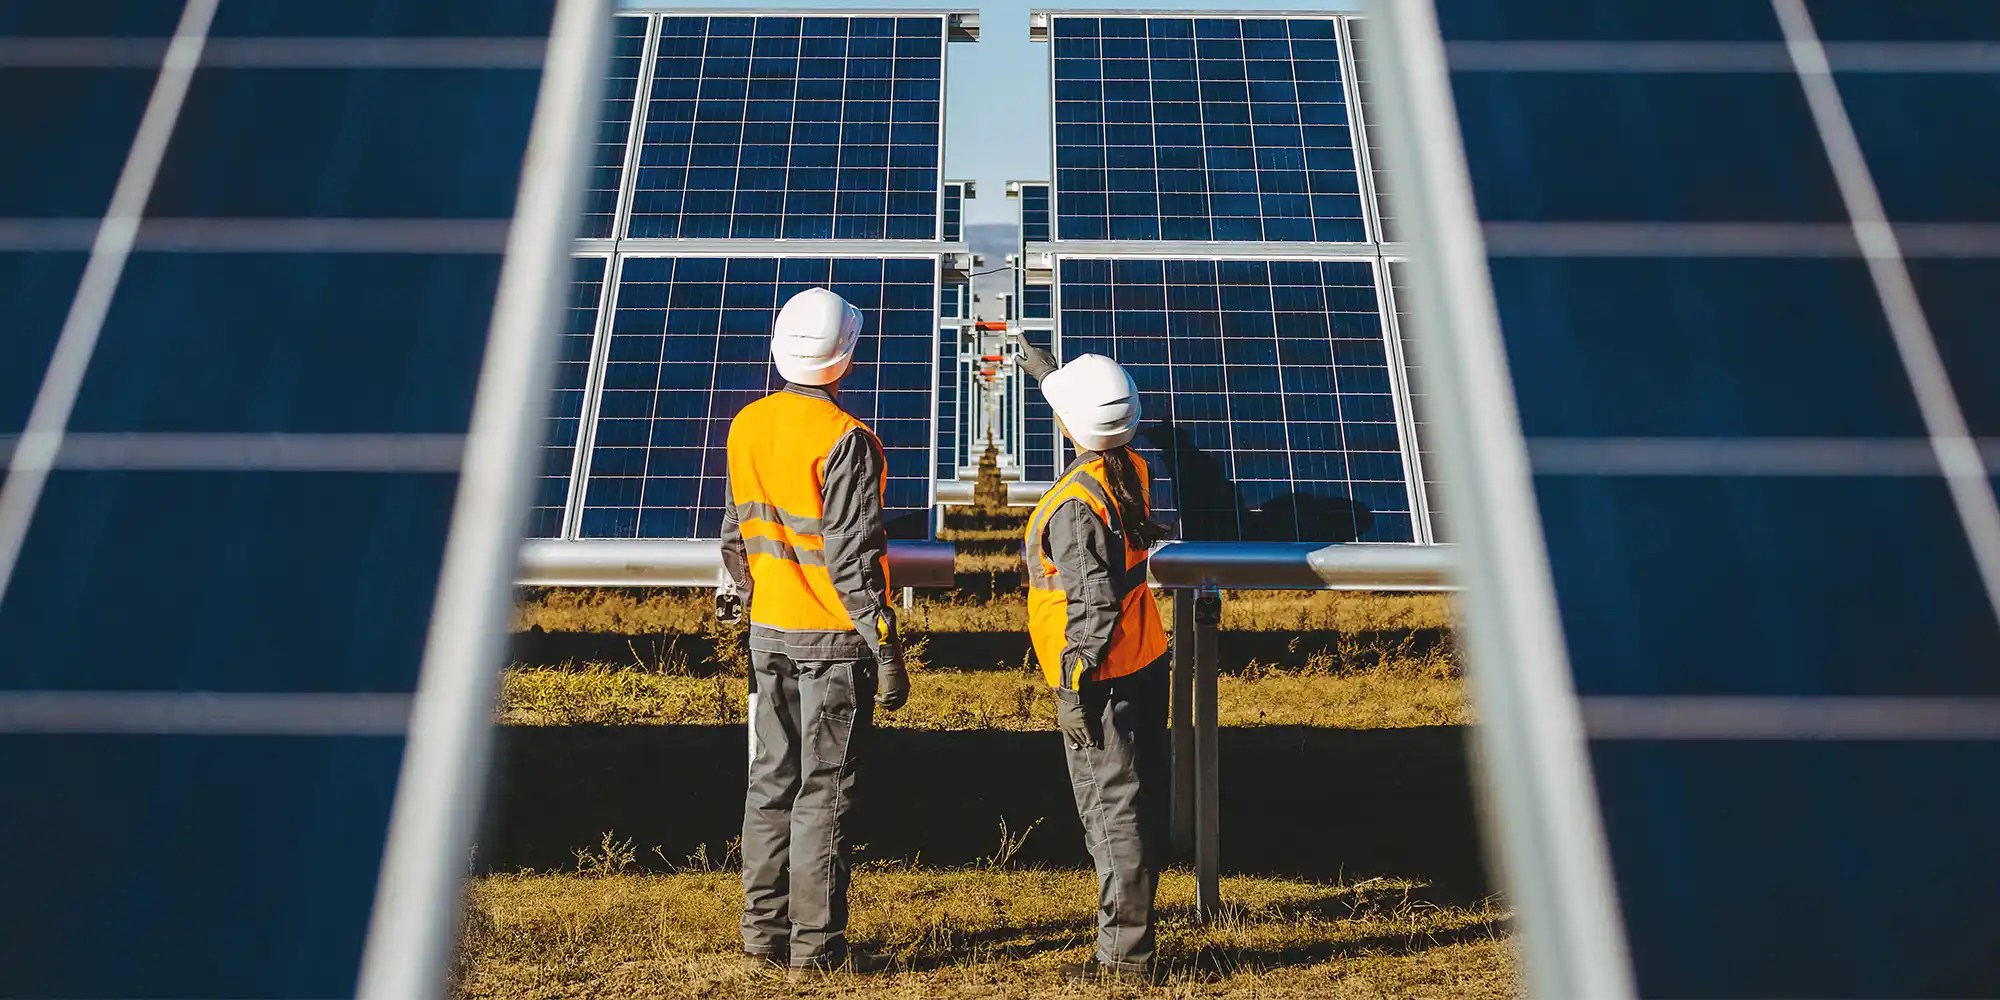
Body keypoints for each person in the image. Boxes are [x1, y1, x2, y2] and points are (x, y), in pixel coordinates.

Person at [718, 287, 910, 980]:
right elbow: (854, 559)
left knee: (769, 783)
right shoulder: (845, 440)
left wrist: (755, 600)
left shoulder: (747, 424)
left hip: (768, 631)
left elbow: (735, 536)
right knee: (823, 793)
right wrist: (887, 650)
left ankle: (761, 936)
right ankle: (815, 950)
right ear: (845, 357)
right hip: (832, 642)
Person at [1017, 346, 1173, 984]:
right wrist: (1051, 376)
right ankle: (1128, 939)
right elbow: (1097, 423)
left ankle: (1124, 959)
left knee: (1113, 810)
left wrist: (1074, 684)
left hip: (1100, 676)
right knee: (1130, 799)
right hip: (1140, 656)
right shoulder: (1128, 465)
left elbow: (1091, 604)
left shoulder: (1076, 504)